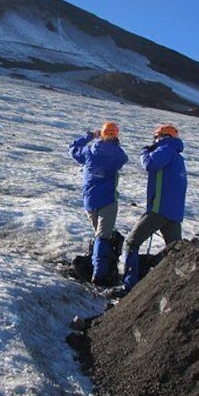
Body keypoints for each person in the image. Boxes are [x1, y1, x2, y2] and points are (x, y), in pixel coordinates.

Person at [122, 124, 187, 291]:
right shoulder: (177, 156)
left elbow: (150, 164)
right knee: (174, 250)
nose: (155, 140)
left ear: (162, 136)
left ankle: (129, 285)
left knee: (131, 242)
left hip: (159, 209)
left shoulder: (165, 149)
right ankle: (172, 287)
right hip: (174, 213)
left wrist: (145, 152)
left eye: (156, 137)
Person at [69, 122, 129, 285]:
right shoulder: (117, 154)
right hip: (108, 199)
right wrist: (114, 143)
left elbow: (73, 148)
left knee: (100, 235)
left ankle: (100, 267)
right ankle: (99, 273)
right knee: (103, 236)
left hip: (89, 200)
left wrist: (89, 136)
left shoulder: (89, 151)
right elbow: (124, 159)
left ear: (101, 134)